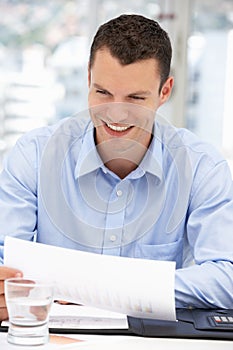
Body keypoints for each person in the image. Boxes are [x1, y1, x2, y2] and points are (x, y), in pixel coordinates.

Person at [0, 14, 233, 322]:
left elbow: (226, 278)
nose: (116, 113)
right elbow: (6, 259)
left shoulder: (202, 167)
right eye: (103, 92)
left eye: (135, 98)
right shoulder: (34, 156)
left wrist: (94, 286)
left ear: (165, 91)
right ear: (87, 79)